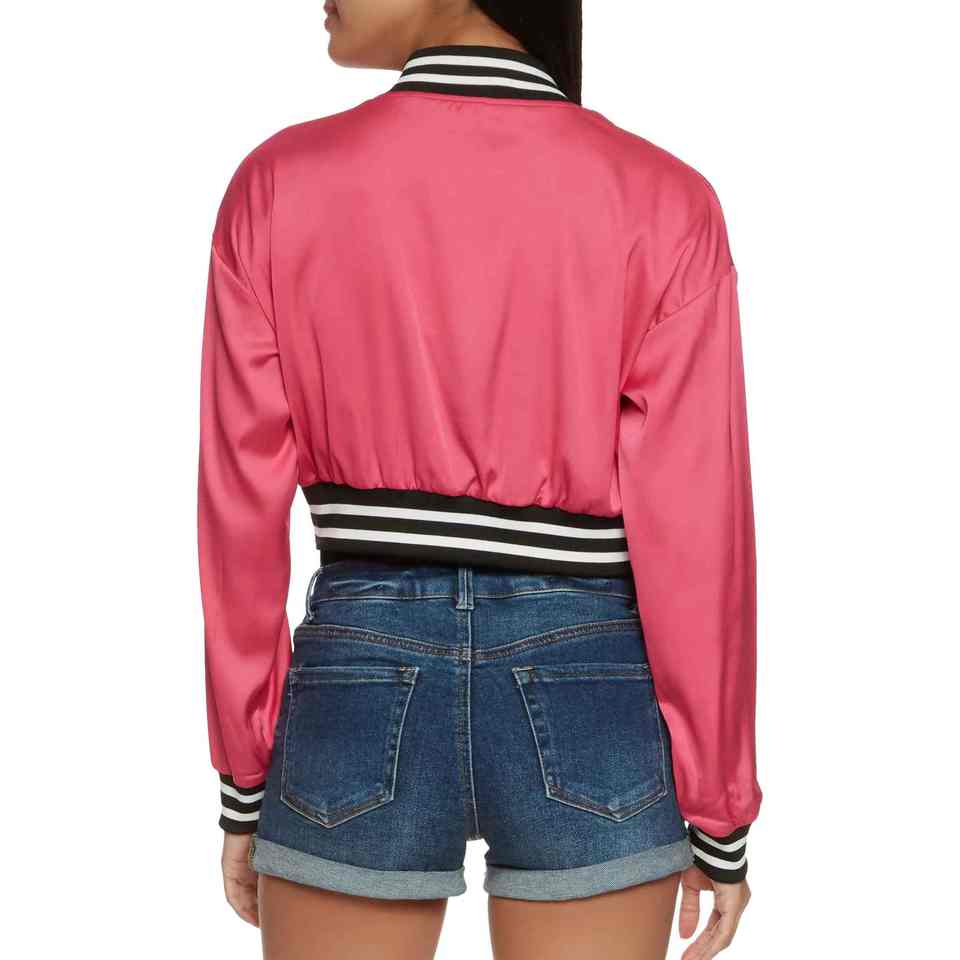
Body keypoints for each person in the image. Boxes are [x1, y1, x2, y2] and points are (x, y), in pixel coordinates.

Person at [197, 2, 762, 957]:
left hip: (358, 668)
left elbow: (236, 505)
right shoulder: (664, 199)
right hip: (588, 672)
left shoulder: (280, 183)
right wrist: (719, 804)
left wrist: (246, 773)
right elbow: (700, 528)